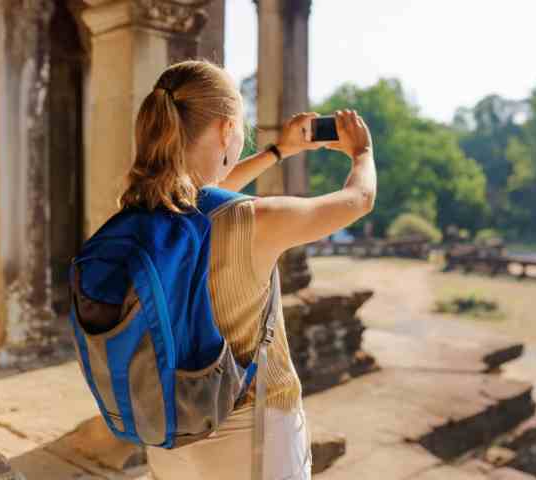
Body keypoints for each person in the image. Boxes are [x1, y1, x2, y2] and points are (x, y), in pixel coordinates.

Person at [117, 59, 376, 480]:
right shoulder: (249, 222)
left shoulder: (139, 213)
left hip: (167, 430)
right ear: (225, 130)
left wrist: (280, 151)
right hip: (251, 436)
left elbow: (202, 192)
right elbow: (359, 198)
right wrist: (362, 152)